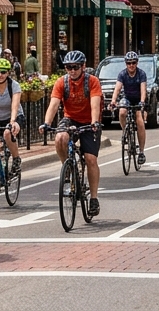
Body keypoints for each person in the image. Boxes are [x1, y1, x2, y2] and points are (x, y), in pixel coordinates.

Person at [41, 51, 103, 217]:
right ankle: (67, 165)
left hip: (90, 121)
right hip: (71, 119)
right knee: (60, 137)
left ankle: (94, 199)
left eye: (75, 67)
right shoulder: (62, 82)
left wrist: (95, 122)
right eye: (68, 67)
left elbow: (95, 104)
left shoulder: (92, 82)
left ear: (83, 67)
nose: (72, 70)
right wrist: (47, 123)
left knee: (90, 159)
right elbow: (54, 104)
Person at [109, 51, 149, 165]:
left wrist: (142, 102)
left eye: (133, 63)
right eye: (129, 63)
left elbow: (143, 90)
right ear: (126, 63)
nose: (131, 65)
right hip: (127, 98)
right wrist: (113, 101)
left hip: (137, 100)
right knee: (122, 112)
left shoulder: (141, 74)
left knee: (140, 121)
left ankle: (141, 151)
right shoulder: (122, 74)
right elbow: (117, 89)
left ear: (137, 63)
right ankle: (125, 131)